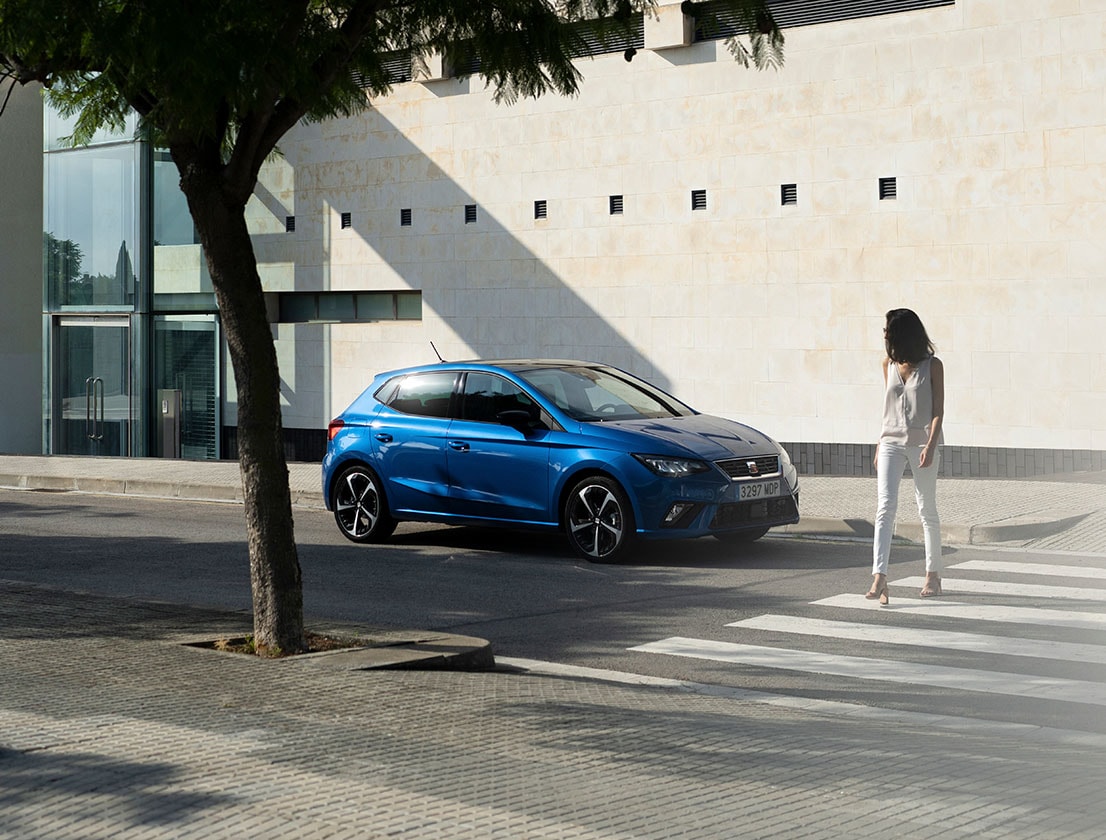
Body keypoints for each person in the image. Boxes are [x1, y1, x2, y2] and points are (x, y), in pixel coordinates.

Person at [866, 308, 944, 605]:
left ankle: (933, 574)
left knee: (927, 509)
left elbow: (938, 410)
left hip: (923, 443)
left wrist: (931, 445)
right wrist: (879, 443)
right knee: (885, 507)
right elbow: (887, 408)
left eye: (889, 329)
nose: (885, 334)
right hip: (890, 442)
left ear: (904, 332)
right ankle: (880, 576)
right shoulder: (888, 364)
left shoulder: (932, 366)